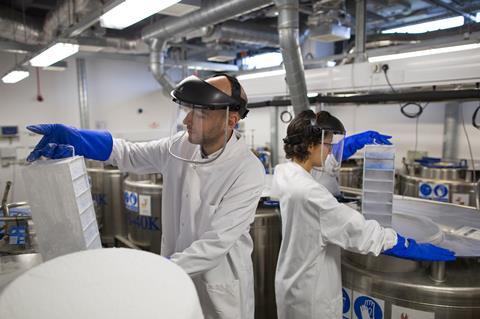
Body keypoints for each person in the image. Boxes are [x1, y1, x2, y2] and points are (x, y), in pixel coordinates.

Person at [26, 74, 265, 319]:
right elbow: (130, 154)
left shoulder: (247, 170)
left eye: (200, 114)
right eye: (189, 110)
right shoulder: (180, 146)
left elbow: (215, 244)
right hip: (174, 280)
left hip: (218, 292)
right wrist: (77, 138)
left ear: (231, 121)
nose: (187, 121)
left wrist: (157, 271)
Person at [271, 110, 455, 319]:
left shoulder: (286, 172)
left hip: (292, 282)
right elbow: (362, 233)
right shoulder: (311, 194)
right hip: (312, 295)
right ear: (311, 145)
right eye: (328, 145)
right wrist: (410, 247)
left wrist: (353, 142)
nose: (331, 151)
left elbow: (325, 164)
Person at [0, 248, 204, 319]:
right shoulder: (178, 149)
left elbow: (217, 240)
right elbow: (133, 155)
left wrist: (162, 267)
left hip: (217, 279)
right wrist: (101, 148)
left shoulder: (236, 172)